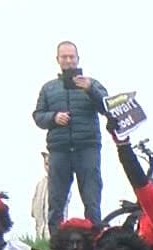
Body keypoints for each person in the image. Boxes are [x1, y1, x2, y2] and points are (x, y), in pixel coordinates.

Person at [32, 42, 108, 228]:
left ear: (77, 59)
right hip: (59, 150)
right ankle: (56, 245)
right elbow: (38, 116)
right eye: (64, 57)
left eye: (71, 57)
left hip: (87, 148)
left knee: (92, 200)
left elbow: (107, 107)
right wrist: (54, 117)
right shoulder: (48, 88)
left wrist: (90, 89)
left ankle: (94, 239)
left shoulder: (93, 84)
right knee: (56, 202)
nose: (68, 60)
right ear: (57, 60)